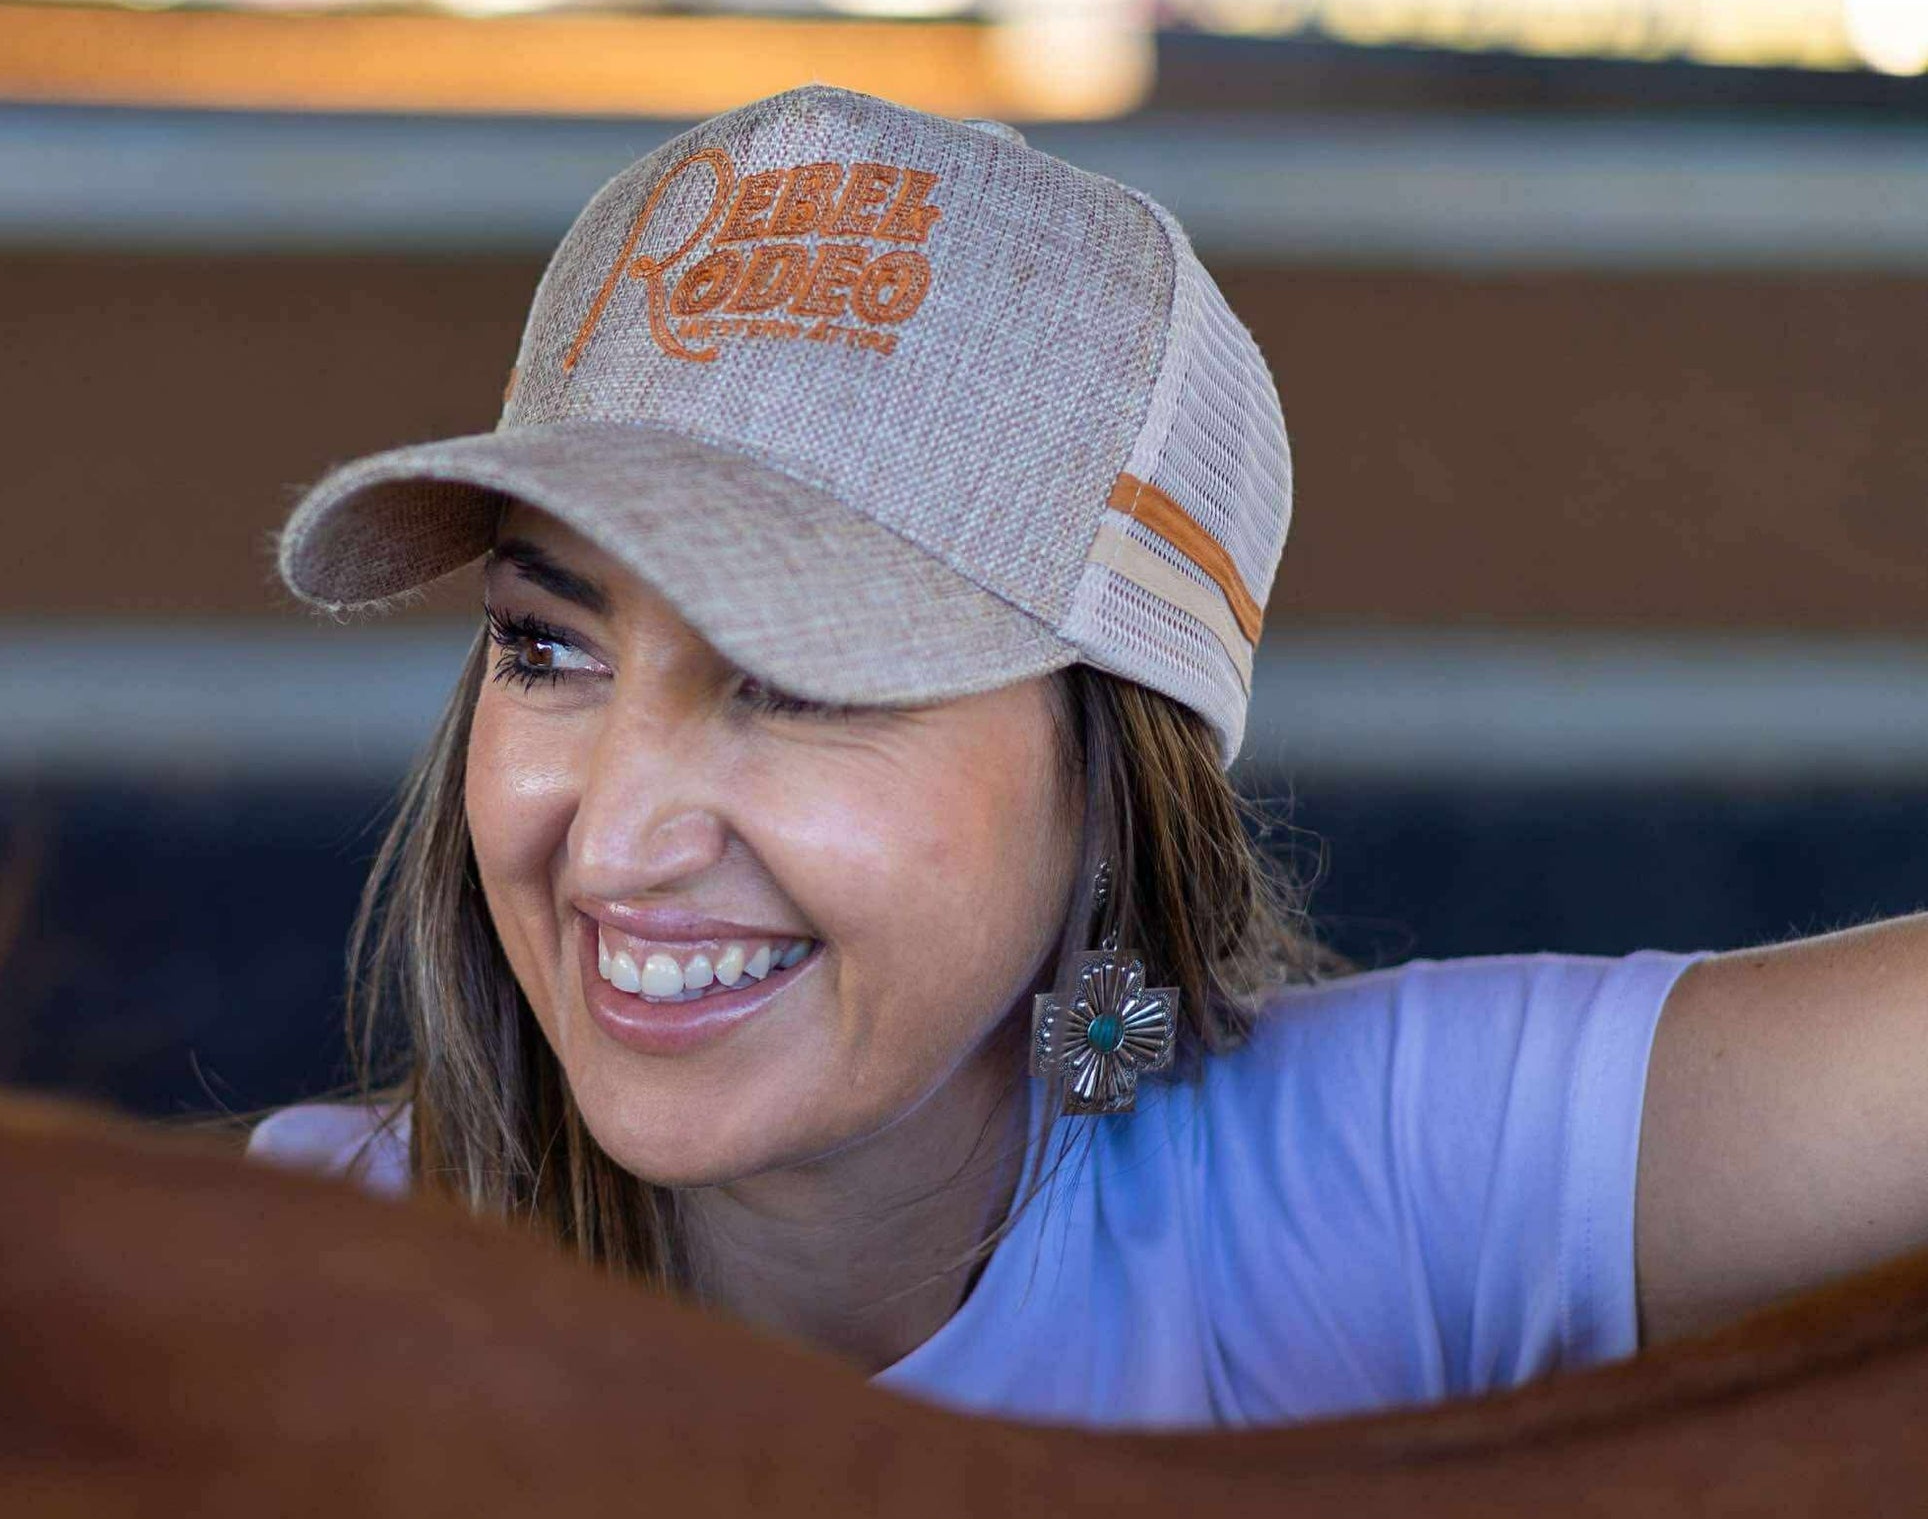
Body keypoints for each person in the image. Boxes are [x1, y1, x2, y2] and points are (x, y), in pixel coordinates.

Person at [250, 83, 1928, 1426]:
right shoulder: (303, 1297)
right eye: (546, 648)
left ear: (1119, 779)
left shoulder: (1368, 1186)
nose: (610, 840)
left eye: (805, 676)